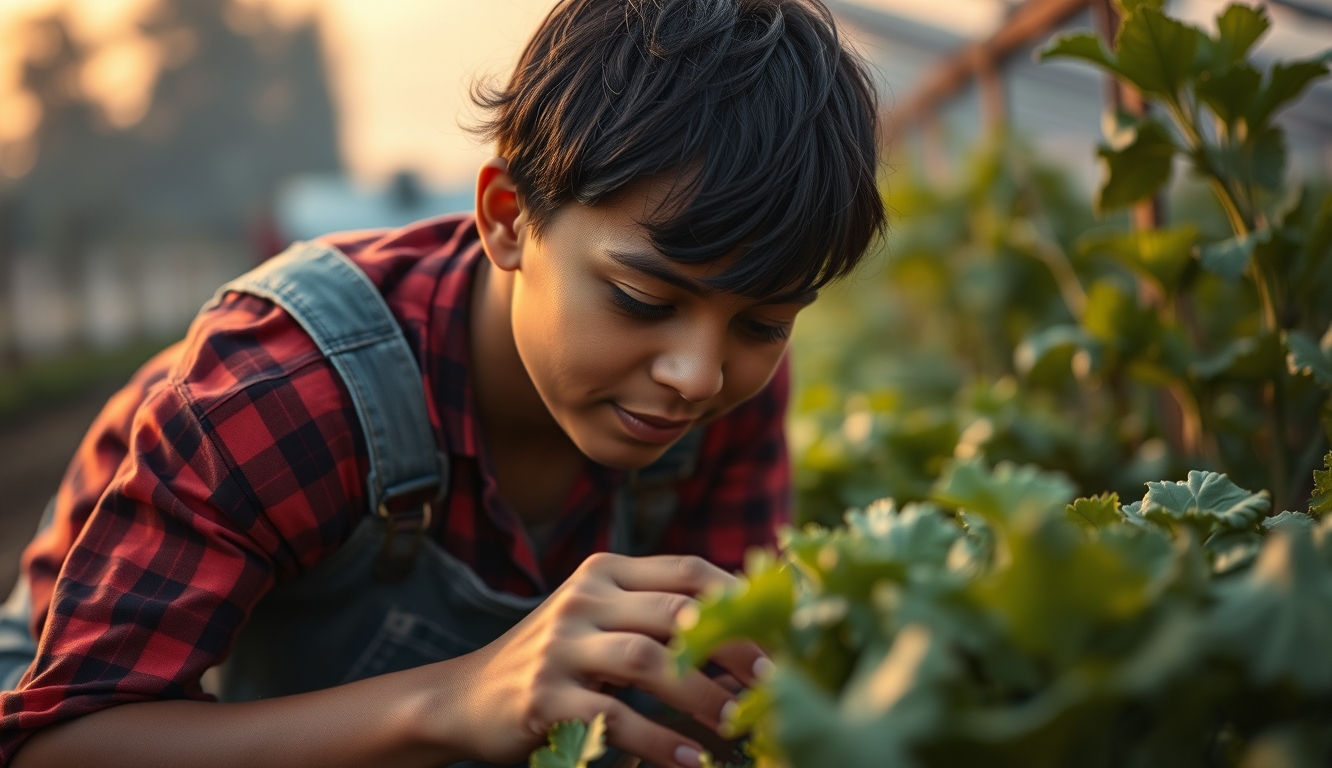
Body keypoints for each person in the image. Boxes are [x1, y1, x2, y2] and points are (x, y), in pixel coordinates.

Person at [0, 0, 883, 765]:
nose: (696, 374)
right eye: (641, 298)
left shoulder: (726, 380)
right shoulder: (290, 390)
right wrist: (457, 702)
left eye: (764, 322)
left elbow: (700, 697)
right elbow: (63, 745)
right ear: (507, 218)